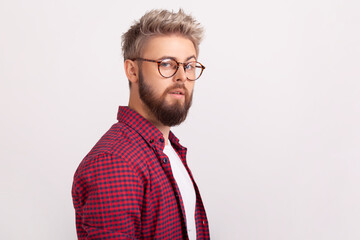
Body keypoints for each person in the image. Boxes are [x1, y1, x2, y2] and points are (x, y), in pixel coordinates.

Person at [72, 9, 210, 240]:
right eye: (166, 64)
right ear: (132, 71)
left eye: (188, 65)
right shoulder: (115, 163)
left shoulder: (167, 149)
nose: (182, 77)